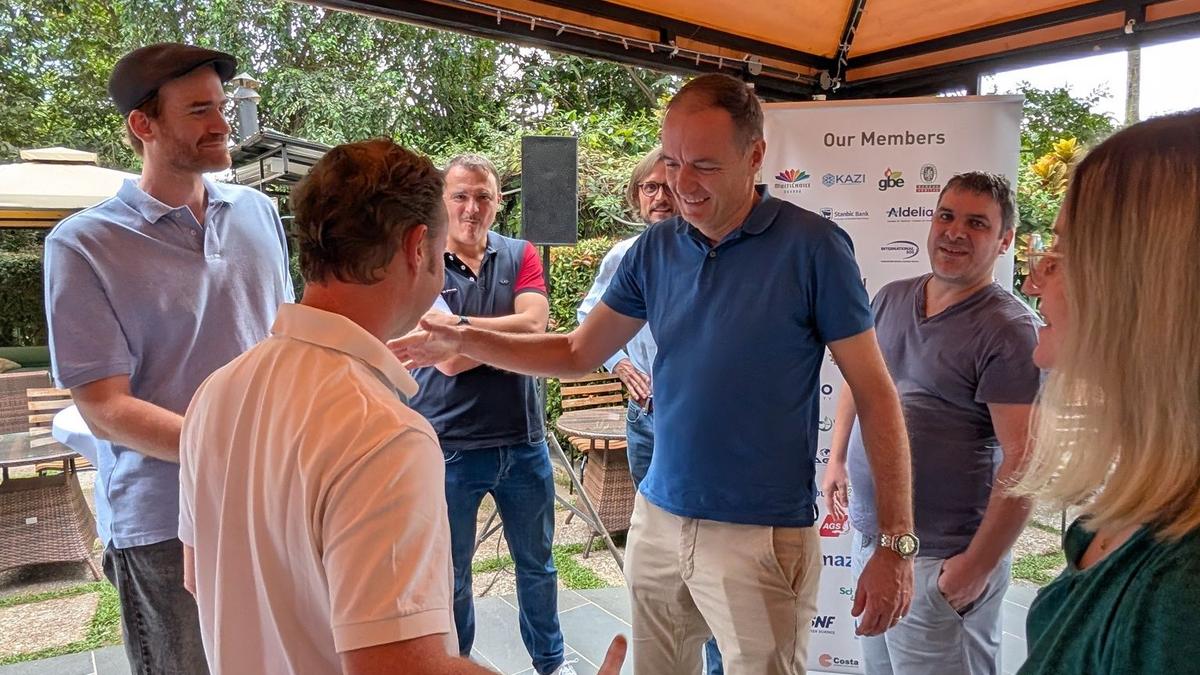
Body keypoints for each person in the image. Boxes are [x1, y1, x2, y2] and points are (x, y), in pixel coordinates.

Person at [394, 73, 916, 675]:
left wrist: (895, 543)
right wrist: (461, 338)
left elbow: (876, 393)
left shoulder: (814, 247)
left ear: (755, 156)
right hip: (659, 518)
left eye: (705, 166)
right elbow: (576, 352)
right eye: (671, 162)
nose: (682, 184)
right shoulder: (655, 248)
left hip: (761, 532)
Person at [178, 138, 625, 675]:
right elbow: (401, 667)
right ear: (418, 247)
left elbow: (198, 575)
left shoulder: (216, 392)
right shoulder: (382, 433)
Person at [43, 42, 294, 674]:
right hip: (161, 521)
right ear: (143, 124)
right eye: (199, 110)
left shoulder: (260, 213)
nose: (222, 124)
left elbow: (285, 344)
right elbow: (104, 407)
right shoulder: (82, 245)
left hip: (272, 501)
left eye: (222, 107)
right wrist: (233, 452)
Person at [824, 172, 1040, 675]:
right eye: (946, 216)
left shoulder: (1009, 330)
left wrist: (974, 567)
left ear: (1004, 240)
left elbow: (1026, 460)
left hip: (943, 557)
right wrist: (836, 458)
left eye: (977, 223)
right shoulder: (890, 297)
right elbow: (862, 384)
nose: (955, 232)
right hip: (875, 542)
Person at [1015, 110, 1200, 674]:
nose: (1034, 280)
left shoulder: (1180, 595)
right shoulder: (1147, 510)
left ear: (1143, 285)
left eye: (1062, 251)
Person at [406, 154, 569, 675]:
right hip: (449, 445)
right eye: (460, 196)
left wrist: (461, 327)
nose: (471, 208)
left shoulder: (521, 253)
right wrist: (506, 336)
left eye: (482, 196)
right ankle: (458, 666)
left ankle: (552, 664)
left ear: (499, 203)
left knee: (538, 567)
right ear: (442, 201)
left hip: (524, 442)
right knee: (453, 573)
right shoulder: (421, 259)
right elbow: (448, 361)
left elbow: (536, 325)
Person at [577, 147, 725, 675]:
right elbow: (588, 317)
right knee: (662, 554)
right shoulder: (624, 256)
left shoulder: (714, 254)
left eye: (669, 186)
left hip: (703, 426)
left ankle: (716, 663)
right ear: (636, 196)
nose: (660, 197)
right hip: (646, 421)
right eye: (649, 187)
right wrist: (619, 364)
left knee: (712, 553)